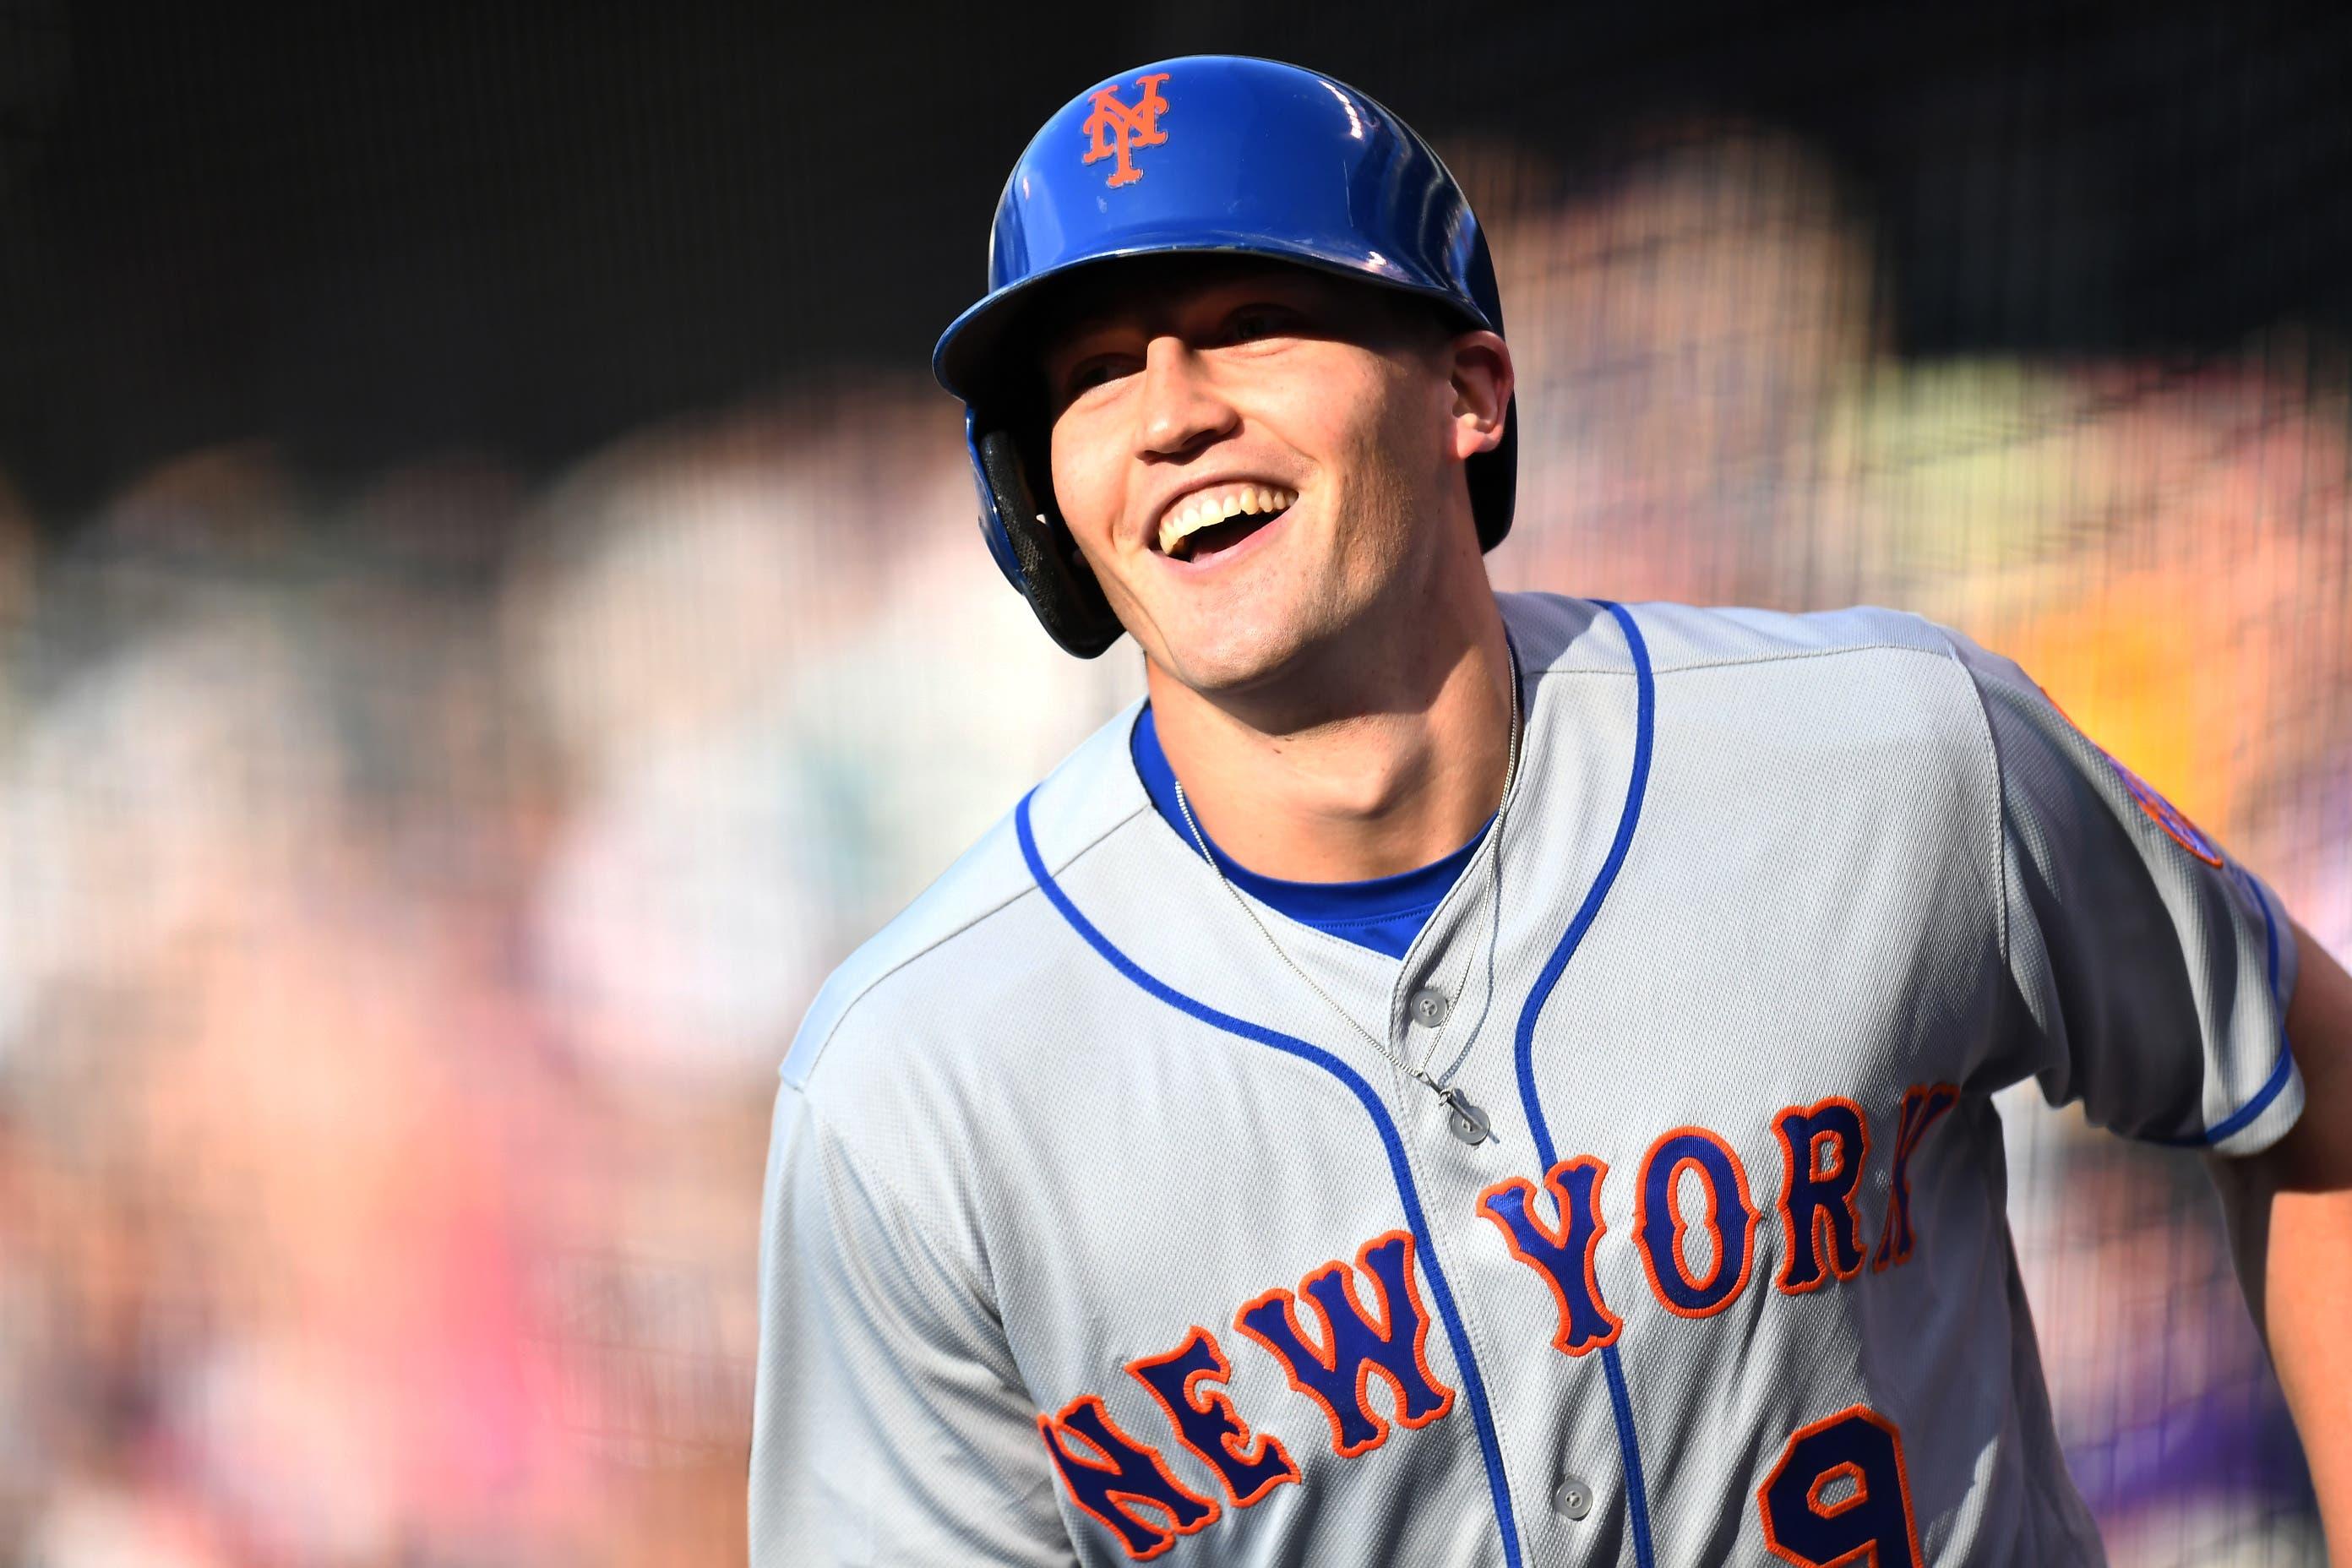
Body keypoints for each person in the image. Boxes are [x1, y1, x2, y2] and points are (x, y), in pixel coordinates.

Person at [750, 54, 2352, 1566]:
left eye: (1249, 324)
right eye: (1096, 374)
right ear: (1043, 503)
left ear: (1473, 390)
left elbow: (2310, 1082)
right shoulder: (917, 1092)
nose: (1172, 410)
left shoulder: (1895, 753)